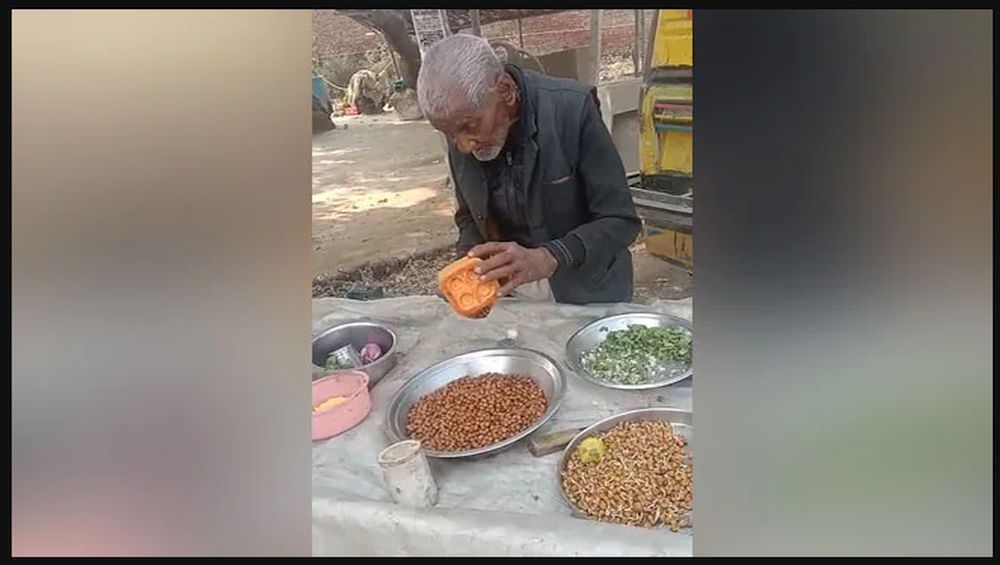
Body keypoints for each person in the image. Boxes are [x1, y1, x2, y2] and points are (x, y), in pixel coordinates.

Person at [416, 34, 641, 304]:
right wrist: (468, 265)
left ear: (506, 91)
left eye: (469, 127)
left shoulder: (571, 109)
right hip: (511, 292)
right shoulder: (461, 125)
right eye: (448, 134)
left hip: (586, 289)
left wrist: (550, 256)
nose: (462, 146)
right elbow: (469, 217)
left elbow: (620, 221)